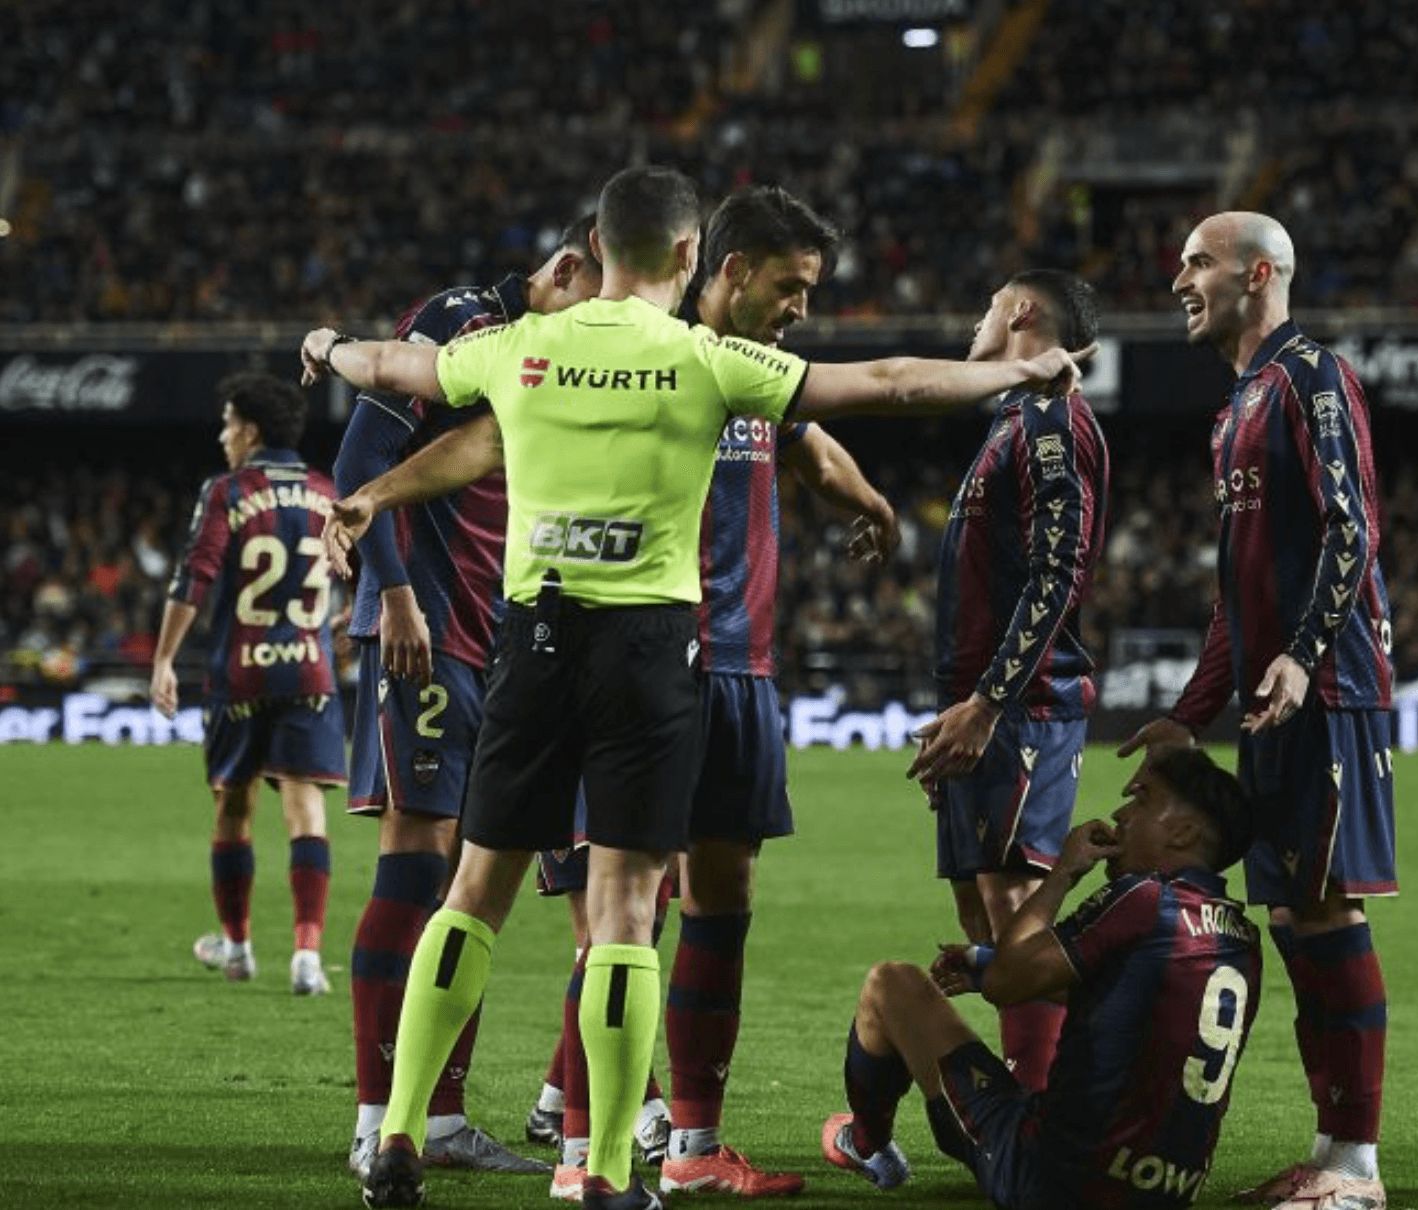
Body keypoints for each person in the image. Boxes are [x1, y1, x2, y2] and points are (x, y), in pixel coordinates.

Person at [300, 164, 1091, 1210]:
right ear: (688, 256)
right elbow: (890, 379)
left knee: (471, 893)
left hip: (529, 643)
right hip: (647, 653)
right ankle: (608, 1173)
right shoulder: (707, 360)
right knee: (627, 911)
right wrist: (1013, 375)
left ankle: (397, 1133)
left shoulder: (521, 345)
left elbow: (394, 367)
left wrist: (323, 352)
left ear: (598, 244)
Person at [527, 185, 900, 1200]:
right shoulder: (655, 355)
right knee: (623, 913)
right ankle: (580, 1135)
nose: (799, 309)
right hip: (640, 660)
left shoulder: (752, 382)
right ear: (728, 271)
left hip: (740, 670)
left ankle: (690, 1142)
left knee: (722, 905)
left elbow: (806, 439)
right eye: (789, 287)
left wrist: (863, 496)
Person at [1119, 211, 1395, 1210]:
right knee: (1293, 918)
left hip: (1324, 689)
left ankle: (1355, 1168)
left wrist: (1300, 651)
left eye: (1197, 261)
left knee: (1324, 908)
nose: (1179, 279)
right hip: (1276, 696)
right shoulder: (1236, 404)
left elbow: (1351, 527)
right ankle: (1332, 1151)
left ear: (1259, 273)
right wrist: (1192, 712)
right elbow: (1234, 593)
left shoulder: (1308, 375)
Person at [333, 216, 602, 1180]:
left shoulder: (548, 347)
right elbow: (360, 464)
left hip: (500, 636)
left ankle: (439, 1117)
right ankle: (379, 1119)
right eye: (595, 298)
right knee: (415, 858)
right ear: (566, 268)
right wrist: (396, 594)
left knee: (465, 885)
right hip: (427, 625)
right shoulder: (453, 322)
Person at [818, 745, 1261, 1210]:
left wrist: (1062, 874)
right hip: (1167, 1194)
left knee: (892, 984)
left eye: (1143, 800)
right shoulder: (1243, 939)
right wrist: (981, 963)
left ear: (1183, 832)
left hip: (1054, 1180)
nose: (1121, 813)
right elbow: (1133, 999)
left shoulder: (1143, 898)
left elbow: (1008, 981)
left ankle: (865, 1143)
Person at [906, 268, 1109, 1095]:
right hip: (983, 709)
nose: (977, 319)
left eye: (988, 304)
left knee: (1019, 916)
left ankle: (1049, 1126)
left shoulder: (1052, 419)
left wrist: (989, 703)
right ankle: (1034, 1105)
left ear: (1023, 312)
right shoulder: (1013, 419)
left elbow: (1059, 572)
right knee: (980, 914)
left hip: (1020, 710)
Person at [150, 373, 345, 996]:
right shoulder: (326, 489)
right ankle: (308, 956)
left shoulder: (228, 491)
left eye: (230, 422)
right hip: (311, 670)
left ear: (252, 431)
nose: (223, 434)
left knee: (233, 806)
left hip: (242, 672)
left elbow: (195, 575)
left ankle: (236, 948)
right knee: (306, 805)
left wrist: (163, 660)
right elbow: (363, 564)